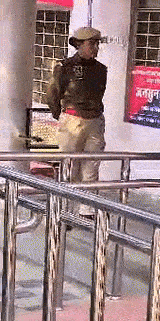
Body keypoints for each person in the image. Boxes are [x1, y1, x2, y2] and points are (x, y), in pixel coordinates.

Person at [46, 26, 107, 218]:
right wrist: (61, 115)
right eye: (91, 44)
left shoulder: (101, 69)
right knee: (69, 167)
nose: (95, 48)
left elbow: (99, 94)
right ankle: (65, 210)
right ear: (79, 45)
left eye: (97, 44)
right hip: (72, 120)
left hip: (94, 121)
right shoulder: (64, 67)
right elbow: (53, 94)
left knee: (91, 167)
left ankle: (87, 210)